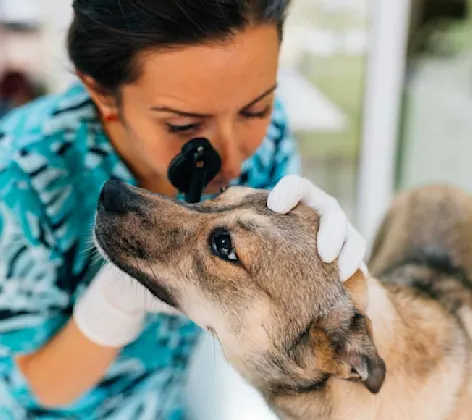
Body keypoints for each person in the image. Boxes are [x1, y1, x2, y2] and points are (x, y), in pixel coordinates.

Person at [0, 0, 366, 418]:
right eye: (184, 126)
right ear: (102, 93)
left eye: (256, 108)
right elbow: (36, 387)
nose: (232, 160)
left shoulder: (270, 137)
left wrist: (337, 280)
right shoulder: (19, 177)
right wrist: (112, 306)